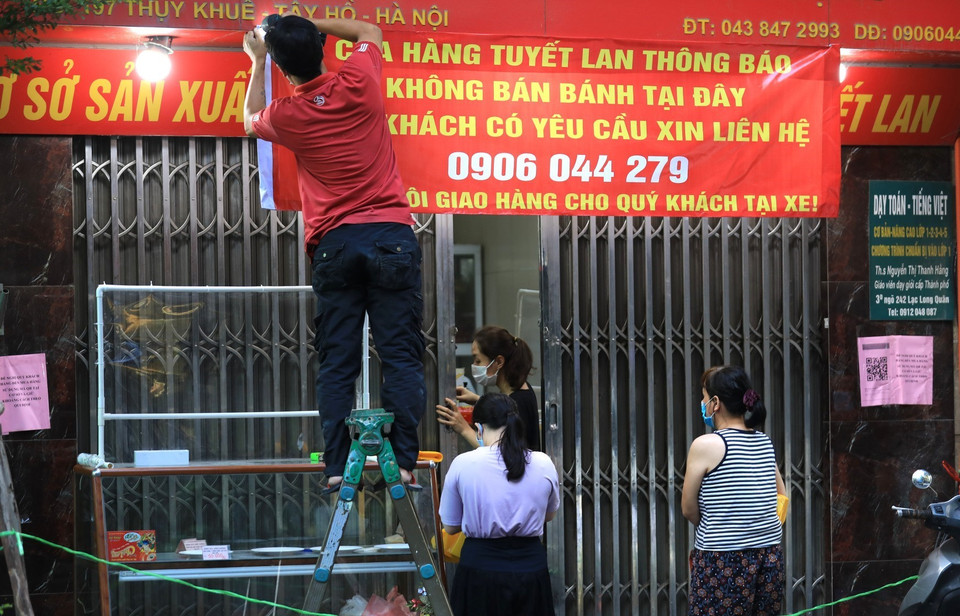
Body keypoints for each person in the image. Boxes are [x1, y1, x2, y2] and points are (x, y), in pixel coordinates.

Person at [242, 17, 424, 490]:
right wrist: (306, 19)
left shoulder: (286, 114)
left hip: (335, 244)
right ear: (323, 46)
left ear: (282, 66)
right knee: (400, 357)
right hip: (391, 235)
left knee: (339, 362)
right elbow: (368, 29)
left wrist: (259, 59)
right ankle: (402, 462)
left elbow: (249, 120)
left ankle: (335, 467)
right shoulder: (361, 79)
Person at [438, 393, 560, 616]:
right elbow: (549, 515)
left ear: (478, 428)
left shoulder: (463, 464)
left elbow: (451, 525)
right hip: (530, 569)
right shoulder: (543, 462)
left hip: (479, 572)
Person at [681, 366, 787, 616]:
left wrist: (714, 524)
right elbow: (781, 496)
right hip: (769, 557)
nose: (703, 402)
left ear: (716, 403)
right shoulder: (763, 441)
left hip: (722, 560)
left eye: (705, 397)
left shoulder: (706, 444)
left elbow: (688, 508)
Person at [435, 326, 540, 451]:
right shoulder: (521, 389)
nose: (474, 365)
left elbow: (500, 453)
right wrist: (477, 400)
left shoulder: (519, 402)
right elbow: (505, 408)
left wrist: (463, 428)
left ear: (499, 362)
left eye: (478, 361)